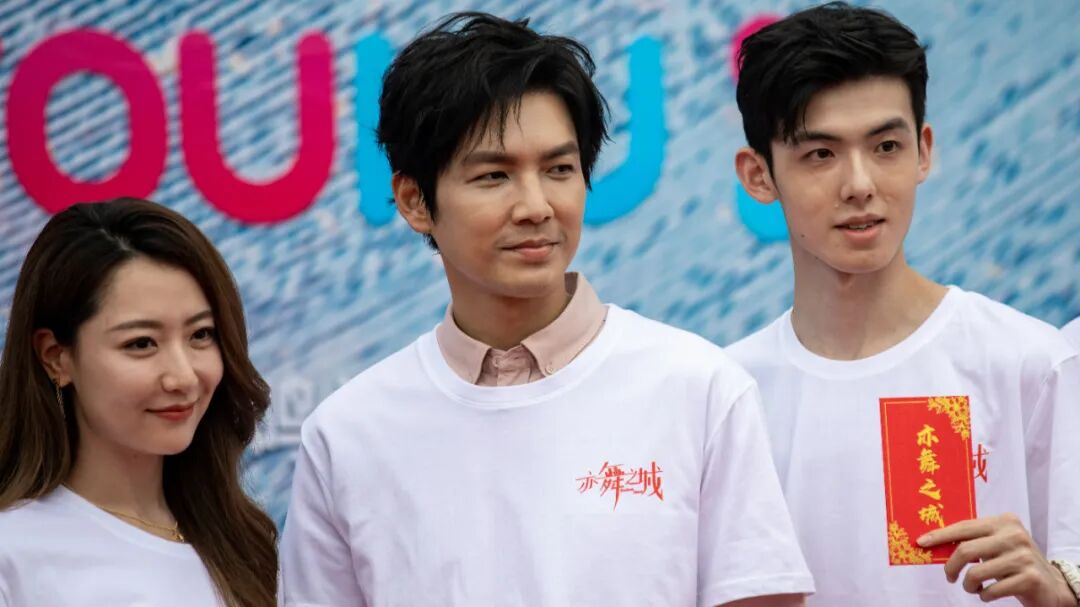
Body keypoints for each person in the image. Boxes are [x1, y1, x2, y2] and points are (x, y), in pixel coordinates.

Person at [279, 12, 812, 607]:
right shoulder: (349, 435)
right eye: (494, 175)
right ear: (414, 200)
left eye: (559, 169)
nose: (535, 206)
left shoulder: (698, 387)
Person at [727, 3, 1080, 606]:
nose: (860, 184)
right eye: (821, 154)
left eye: (886, 146)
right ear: (759, 175)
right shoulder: (729, 395)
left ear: (923, 151)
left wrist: (1059, 592)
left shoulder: (1033, 364)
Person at [0, 198, 278, 607]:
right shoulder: (15, 554)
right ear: (56, 357)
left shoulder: (245, 541)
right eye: (142, 343)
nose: (183, 377)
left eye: (201, 335)